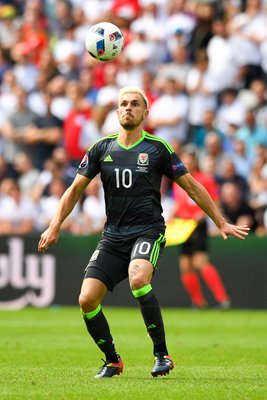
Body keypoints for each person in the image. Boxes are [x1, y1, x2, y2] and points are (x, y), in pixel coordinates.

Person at [38, 86, 249, 379]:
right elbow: (74, 190)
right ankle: (113, 360)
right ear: (116, 112)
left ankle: (162, 354)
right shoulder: (101, 148)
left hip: (147, 232)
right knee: (86, 300)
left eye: (135, 104)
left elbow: (192, 187)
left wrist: (221, 221)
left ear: (145, 113)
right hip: (112, 236)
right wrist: (54, 225)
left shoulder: (158, 148)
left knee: (139, 279)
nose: (128, 108)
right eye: (123, 104)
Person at [171, 149, 233, 310]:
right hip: (182, 227)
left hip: (197, 225)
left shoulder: (205, 179)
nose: (187, 164)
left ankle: (222, 299)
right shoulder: (177, 180)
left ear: (195, 161)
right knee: (185, 266)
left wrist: (202, 215)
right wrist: (172, 215)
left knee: (200, 262)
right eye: (184, 161)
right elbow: (180, 203)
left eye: (190, 160)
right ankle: (198, 302)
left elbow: (215, 202)